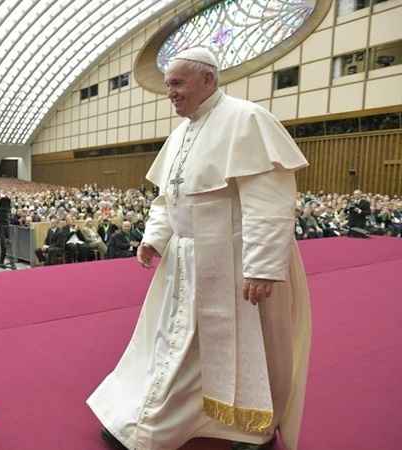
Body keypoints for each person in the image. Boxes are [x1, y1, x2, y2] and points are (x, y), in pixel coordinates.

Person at [87, 48, 311, 450]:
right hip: (186, 262)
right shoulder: (179, 134)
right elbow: (167, 198)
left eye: (177, 83)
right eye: (168, 85)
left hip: (236, 261)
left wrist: (261, 266)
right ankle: (154, 420)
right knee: (175, 344)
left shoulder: (247, 119)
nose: (170, 93)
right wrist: (153, 238)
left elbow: (270, 201)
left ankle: (254, 428)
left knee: (248, 349)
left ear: (208, 79)